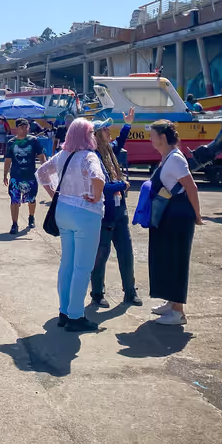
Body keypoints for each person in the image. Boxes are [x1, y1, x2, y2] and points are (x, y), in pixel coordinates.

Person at [37, 118, 106, 332]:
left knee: (67, 264)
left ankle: (64, 311)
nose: (93, 135)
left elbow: (41, 173)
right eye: (92, 132)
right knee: (83, 267)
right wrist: (96, 196)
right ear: (86, 135)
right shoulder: (88, 156)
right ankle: (76, 315)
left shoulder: (62, 154)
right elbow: (98, 178)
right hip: (85, 213)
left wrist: (55, 193)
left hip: (63, 211)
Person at [146, 120, 203, 325]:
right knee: (166, 258)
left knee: (176, 260)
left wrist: (197, 215)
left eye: (153, 135)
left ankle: (178, 312)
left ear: (162, 137)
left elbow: (192, 188)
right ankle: (171, 303)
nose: (150, 139)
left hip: (178, 215)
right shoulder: (168, 157)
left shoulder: (176, 159)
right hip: (169, 215)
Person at [90, 109, 141, 307]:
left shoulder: (109, 150)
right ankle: (97, 294)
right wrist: (122, 185)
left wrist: (128, 124)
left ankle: (130, 291)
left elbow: (119, 142)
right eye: (105, 129)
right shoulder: (93, 157)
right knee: (100, 256)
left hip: (120, 212)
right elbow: (100, 188)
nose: (109, 131)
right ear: (96, 135)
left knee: (126, 253)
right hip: (104, 215)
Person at [4, 118, 48, 234]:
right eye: (22, 127)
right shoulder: (11, 143)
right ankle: (14, 224)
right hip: (15, 176)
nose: (24, 129)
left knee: (32, 199)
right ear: (16, 128)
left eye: (26, 127)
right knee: (14, 200)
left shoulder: (33, 141)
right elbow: (8, 160)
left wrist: (45, 169)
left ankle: (31, 216)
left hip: (30, 176)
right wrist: (5, 175)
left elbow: (41, 155)